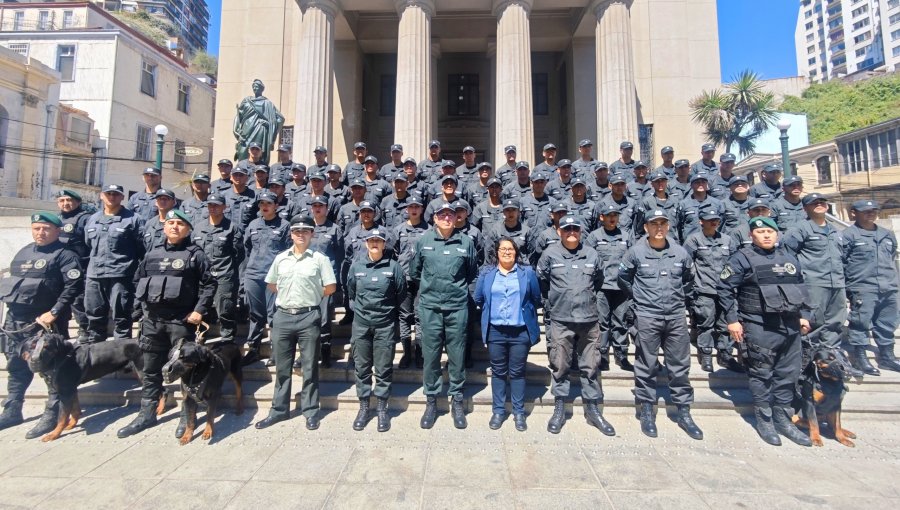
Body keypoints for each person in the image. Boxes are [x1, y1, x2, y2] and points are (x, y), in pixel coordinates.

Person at [117, 209, 215, 438]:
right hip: (152, 321)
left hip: (180, 322)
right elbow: (137, 281)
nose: (174, 227)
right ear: (164, 227)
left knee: (184, 371)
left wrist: (199, 311)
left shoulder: (195, 254)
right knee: (150, 370)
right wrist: (138, 310)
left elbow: (210, 284)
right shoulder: (152, 254)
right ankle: (147, 414)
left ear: (188, 229)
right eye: (170, 222)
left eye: (180, 223)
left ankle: (186, 415)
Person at [717, 216, 813, 446]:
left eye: (770, 231)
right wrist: (732, 320)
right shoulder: (741, 259)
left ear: (777, 233)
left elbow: (801, 286)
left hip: (789, 325)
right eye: (760, 232)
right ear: (751, 235)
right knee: (761, 374)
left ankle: (783, 418)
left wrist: (805, 316)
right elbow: (725, 288)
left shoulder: (789, 257)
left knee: (788, 374)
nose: (767, 235)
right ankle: (765, 420)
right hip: (759, 324)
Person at [618, 210, 703, 440]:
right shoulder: (635, 252)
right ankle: (647, 409)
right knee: (646, 364)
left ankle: (684, 411)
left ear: (668, 227)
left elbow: (689, 280)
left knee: (679, 365)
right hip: (647, 315)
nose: (658, 228)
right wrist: (639, 297)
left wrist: (678, 299)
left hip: (675, 316)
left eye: (663, 224)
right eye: (654, 224)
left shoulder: (679, 253)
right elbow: (624, 279)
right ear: (646, 227)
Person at [0, 213, 82, 437]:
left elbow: (73, 287)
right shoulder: (24, 252)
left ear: (57, 231)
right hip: (16, 321)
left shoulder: (65, 255)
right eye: (37, 228)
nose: (41, 233)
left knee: (52, 371)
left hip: (46, 324)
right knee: (16, 367)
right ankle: (13, 409)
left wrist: (54, 312)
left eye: (46, 228)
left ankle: (52, 413)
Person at [255, 215, 336, 431]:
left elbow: (330, 287)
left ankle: (310, 411)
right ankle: (278, 411)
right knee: (282, 368)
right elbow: (271, 283)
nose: (301, 234)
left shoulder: (320, 259)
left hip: (308, 316)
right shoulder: (281, 258)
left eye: (305, 231)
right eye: (297, 231)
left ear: (312, 234)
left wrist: (310, 297)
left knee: (309, 367)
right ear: (291, 234)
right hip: (282, 317)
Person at [537, 216, 614, 435]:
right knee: (560, 365)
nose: (571, 231)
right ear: (559, 231)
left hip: (588, 320)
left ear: (581, 232)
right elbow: (542, 281)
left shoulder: (591, 254)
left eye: (575, 228)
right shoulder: (549, 255)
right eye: (567, 228)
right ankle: (560, 407)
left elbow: (598, 281)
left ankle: (592, 410)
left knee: (590, 366)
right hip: (561, 319)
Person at [410, 202, 478, 430]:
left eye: (450, 214)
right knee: (430, 355)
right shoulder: (423, 241)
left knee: (457, 354)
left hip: (457, 307)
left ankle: (457, 400)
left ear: (456, 218)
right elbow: (415, 271)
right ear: (435, 218)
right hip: (430, 307)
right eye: (442, 214)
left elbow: (471, 273)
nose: (447, 218)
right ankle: (431, 401)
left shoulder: (466, 242)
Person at [474, 238, 541, 431]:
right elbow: (479, 298)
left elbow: (536, 298)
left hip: (520, 332)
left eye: (510, 249)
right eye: (502, 249)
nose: (506, 252)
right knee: (498, 372)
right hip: (495, 331)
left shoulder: (527, 273)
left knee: (518, 372)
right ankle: (498, 411)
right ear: (496, 252)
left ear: (516, 252)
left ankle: (519, 412)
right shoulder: (487, 274)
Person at [347, 229, 407, 432]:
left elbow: (401, 292)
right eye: (371, 240)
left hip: (385, 325)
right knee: (362, 368)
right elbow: (351, 292)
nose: (374, 243)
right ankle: (364, 407)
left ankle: (382, 408)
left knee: (383, 368)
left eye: (378, 241)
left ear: (384, 245)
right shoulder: (356, 266)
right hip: (362, 324)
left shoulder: (393, 267)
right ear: (366, 243)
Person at [842, 200, 900, 374]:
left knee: (887, 323)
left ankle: (887, 357)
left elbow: (891, 256)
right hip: (863, 287)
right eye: (865, 211)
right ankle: (860, 359)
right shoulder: (848, 235)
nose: (871, 213)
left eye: (873, 210)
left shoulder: (886, 234)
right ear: (854, 213)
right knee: (860, 322)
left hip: (888, 286)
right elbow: (842, 261)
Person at [781, 193, 846, 350]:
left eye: (822, 202)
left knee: (836, 321)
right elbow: (787, 255)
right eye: (814, 203)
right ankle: (810, 356)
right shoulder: (799, 229)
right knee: (813, 321)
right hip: (813, 282)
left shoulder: (835, 230)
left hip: (836, 281)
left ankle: (830, 355)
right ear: (805, 208)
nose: (819, 204)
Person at [84, 184, 145, 344]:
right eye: (108, 194)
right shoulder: (93, 218)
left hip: (121, 275)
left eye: (116, 194)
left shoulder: (133, 219)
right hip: (95, 275)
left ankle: (121, 358)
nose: (112, 197)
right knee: (94, 316)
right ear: (101, 196)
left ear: (122, 197)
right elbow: (88, 244)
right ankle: (96, 356)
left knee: (122, 317)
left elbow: (141, 248)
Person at [683, 209, 737, 372]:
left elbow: (734, 264)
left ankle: (725, 354)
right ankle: (705, 354)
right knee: (705, 324)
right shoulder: (694, 240)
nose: (714, 222)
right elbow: (687, 264)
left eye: (716, 220)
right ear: (701, 221)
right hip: (704, 289)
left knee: (725, 323)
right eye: (709, 220)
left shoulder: (727, 240)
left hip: (725, 290)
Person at [241, 192, 291, 365]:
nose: (264, 206)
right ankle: (253, 349)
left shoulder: (285, 226)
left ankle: (275, 351)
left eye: (268, 203)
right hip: (253, 274)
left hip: (274, 277)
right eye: (261, 203)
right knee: (255, 315)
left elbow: (288, 252)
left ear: (276, 206)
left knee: (274, 315)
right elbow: (247, 248)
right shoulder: (253, 225)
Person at [585, 204, 633, 371]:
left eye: (615, 215)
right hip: (602, 287)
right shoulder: (594, 237)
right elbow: (588, 260)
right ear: (601, 218)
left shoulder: (626, 236)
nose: (612, 218)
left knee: (620, 322)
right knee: (602, 322)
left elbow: (632, 260)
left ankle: (621, 354)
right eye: (608, 215)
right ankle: (603, 355)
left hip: (621, 287)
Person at [192, 194, 244, 344]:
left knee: (225, 309)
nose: (213, 208)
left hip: (224, 275)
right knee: (201, 309)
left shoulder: (232, 228)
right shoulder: (198, 228)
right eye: (210, 205)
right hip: (202, 277)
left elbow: (238, 254)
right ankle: (200, 338)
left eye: (216, 205)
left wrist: (228, 270)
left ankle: (228, 340)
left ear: (224, 207)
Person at [393, 196, 428, 369]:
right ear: (406, 209)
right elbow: (393, 252)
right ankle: (407, 353)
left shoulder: (429, 229)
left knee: (421, 316)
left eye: (417, 207)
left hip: (422, 280)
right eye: (411, 206)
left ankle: (420, 353)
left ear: (422, 209)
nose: (414, 209)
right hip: (404, 279)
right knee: (405, 316)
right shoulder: (399, 229)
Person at [56, 189, 92, 340]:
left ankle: (84, 329)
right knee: (60, 300)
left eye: (69, 200)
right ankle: (60, 332)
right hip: (59, 268)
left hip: (80, 266)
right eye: (62, 200)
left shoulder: (85, 219)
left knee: (78, 301)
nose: (65, 203)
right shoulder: (55, 220)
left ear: (77, 202)